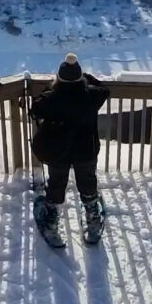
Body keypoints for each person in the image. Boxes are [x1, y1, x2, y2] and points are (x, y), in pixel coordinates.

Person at [30, 52, 110, 241]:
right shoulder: (91, 96)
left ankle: (51, 224)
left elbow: (35, 108)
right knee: (88, 182)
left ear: (59, 79)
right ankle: (93, 222)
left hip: (59, 151)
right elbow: (105, 89)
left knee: (57, 184)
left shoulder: (51, 98)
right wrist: (87, 77)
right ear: (79, 78)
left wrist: (50, 87)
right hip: (86, 151)